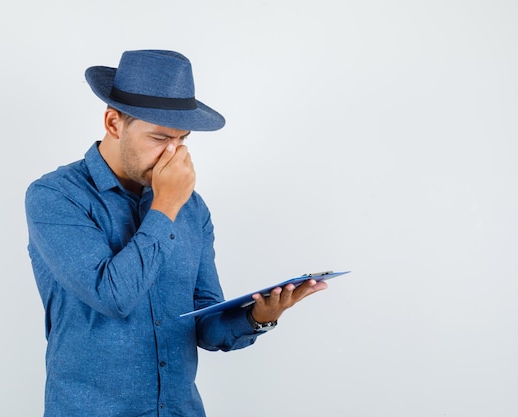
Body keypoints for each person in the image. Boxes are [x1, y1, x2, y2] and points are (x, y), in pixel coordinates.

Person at [25, 49, 327, 417]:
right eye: (159, 138)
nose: (173, 155)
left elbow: (204, 322)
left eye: (182, 140)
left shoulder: (192, 207)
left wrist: (257, 316)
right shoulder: (55, 196)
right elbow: (112, 297)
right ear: (113, 123)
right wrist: (165, 206)